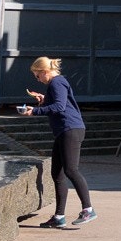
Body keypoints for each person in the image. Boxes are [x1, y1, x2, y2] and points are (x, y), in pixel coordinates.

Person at [20, 57, 96, 228]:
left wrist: (36, 111)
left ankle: (88, 209)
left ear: (45, 72)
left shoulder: (56, 82)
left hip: (70, 129)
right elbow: (59, 103)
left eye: (38, 76)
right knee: (57, 173)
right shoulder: (56, 84)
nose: (37, 79)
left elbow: (60, 107)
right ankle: (59, 216)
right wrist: (44, 99)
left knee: (71, 170)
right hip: (65, 131)